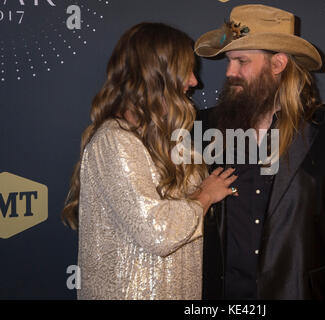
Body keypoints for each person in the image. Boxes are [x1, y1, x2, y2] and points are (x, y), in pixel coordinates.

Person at [195, 4, 325, 299]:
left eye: (241, 61)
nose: (229, 72)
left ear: (278, 64)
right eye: (229, 61)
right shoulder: (202, 127)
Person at [61, 22, 238, 300]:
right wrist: (204, 196)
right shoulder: (114, 141)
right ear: (156, 75)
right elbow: (157, 231)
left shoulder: (170, 139)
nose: (194, 81)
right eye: (186, 71)